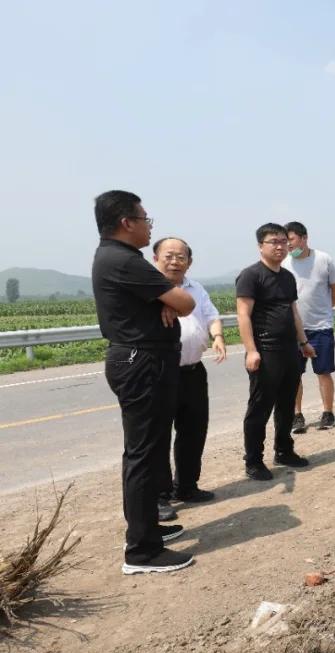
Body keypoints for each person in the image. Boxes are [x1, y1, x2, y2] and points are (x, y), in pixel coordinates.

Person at [91, 190, 196, 575]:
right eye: (145, 218)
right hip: (140, 361)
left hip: (142, 359)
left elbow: (177, 301)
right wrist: (170, 301)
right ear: (126, 222)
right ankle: (141, 551)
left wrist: (164, 301)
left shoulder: (120, 258)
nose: (149, 225)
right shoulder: (123, 260)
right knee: (142, 453)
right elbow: (185, 303)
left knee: (148, 451)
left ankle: (148, 528)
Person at [236, 223, 315, 481]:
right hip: (265, 350)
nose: (281, 246)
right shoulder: (251, 275)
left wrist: (303, 343)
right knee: (260, 408)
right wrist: (251, 351)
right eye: (274, 242)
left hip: (289, 350)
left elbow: (292, 313)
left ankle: (283, 450)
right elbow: (243, 315)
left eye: (284, 241)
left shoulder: (287, 277)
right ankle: (254, 461)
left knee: (285, 405)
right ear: (261, 245)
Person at [153, 237, 225, 504]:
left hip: (193, 371)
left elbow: (211, 315)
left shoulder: (196, 288)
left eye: (181, 257)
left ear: (189, 262)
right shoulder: (148, 288)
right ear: (155, 259)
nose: (175, 262)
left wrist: (217, 336)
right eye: (169, 256)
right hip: (162, 372)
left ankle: (186, 485)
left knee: (194, 431)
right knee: (159, 436)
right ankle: (160, 496)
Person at [283, 221, 335, 433]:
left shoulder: (324, 259)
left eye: (290, 239)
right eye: (284, 241)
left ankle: (328, 412)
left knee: (324, 371)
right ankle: (297, 415)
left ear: (304, 237)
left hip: (321, 326)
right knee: (294, 375)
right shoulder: (284, 264)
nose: (287, 245)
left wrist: (327, 309)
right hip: (293, 329)